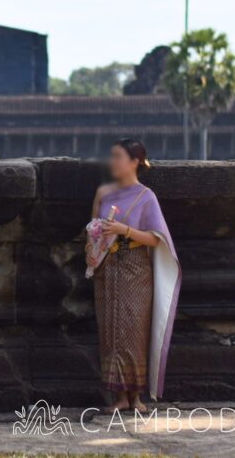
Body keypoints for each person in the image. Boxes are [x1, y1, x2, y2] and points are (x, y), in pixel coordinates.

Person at [85, 138, 181, 412]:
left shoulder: (145, 196)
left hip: (136, 268)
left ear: (134, 162)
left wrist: (123, 230)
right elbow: (92, 228)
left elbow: (156, 238)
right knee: (111, 331)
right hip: (107, 266)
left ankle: (136, 397)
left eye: (118, 157)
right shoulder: (103, 192)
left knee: (134, 331)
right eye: (112, 156)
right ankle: (119, 398)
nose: (112, 162)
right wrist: (90, 251)